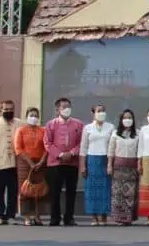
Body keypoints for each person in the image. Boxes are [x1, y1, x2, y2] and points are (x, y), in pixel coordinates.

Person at [44, 97, 83, 227]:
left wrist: (71, 153)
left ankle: (69, 218)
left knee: (71, 191)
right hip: (55, 163)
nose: (67, 109)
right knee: (55, 192)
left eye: (68, 107)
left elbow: (81, 142)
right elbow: (47, 143)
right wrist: (60, 155)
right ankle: (55, 218)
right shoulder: (50, 124)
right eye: (64, 107)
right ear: (57, 109)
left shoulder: (78, 124)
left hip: (72, 163)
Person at [79, 104, 113, 226]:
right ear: (93, 113)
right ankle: (94, 217)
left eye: (103, 110)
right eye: (99, 111)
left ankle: (104, 216)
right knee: (92, 189)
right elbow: (83, 148)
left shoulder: (110, 127)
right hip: (92, 160)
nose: (101, 113)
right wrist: (82, 165)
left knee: (105, 189)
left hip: (105, 159)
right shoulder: (88, 128)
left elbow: (112, 146)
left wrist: (110, 163)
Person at [14, 107, 46, 226]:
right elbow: (18, 148)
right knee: (25, 190)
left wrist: (41, 161)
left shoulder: (43, 130)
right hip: (24, 163)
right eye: (31, 115)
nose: (34, 117)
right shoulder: (21, 130)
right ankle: (27, 217)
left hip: (40, 163)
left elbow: (47, 147)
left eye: (36, 115)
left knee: (39, 190)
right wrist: (30, 163)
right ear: (26, 117)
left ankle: (38, 216)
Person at [108, 109, 139, 226]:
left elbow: (139, 151)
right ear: (121, 120)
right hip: (118, 167)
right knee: (118, 194)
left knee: (130, 194)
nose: (127, 120)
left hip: (132, 168)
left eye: (130, 117)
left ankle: (128, 218)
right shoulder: (115, 133)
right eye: (125, 118)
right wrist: (109, 165)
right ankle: (119, 218)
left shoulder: (138, 134)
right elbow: (111, 150)